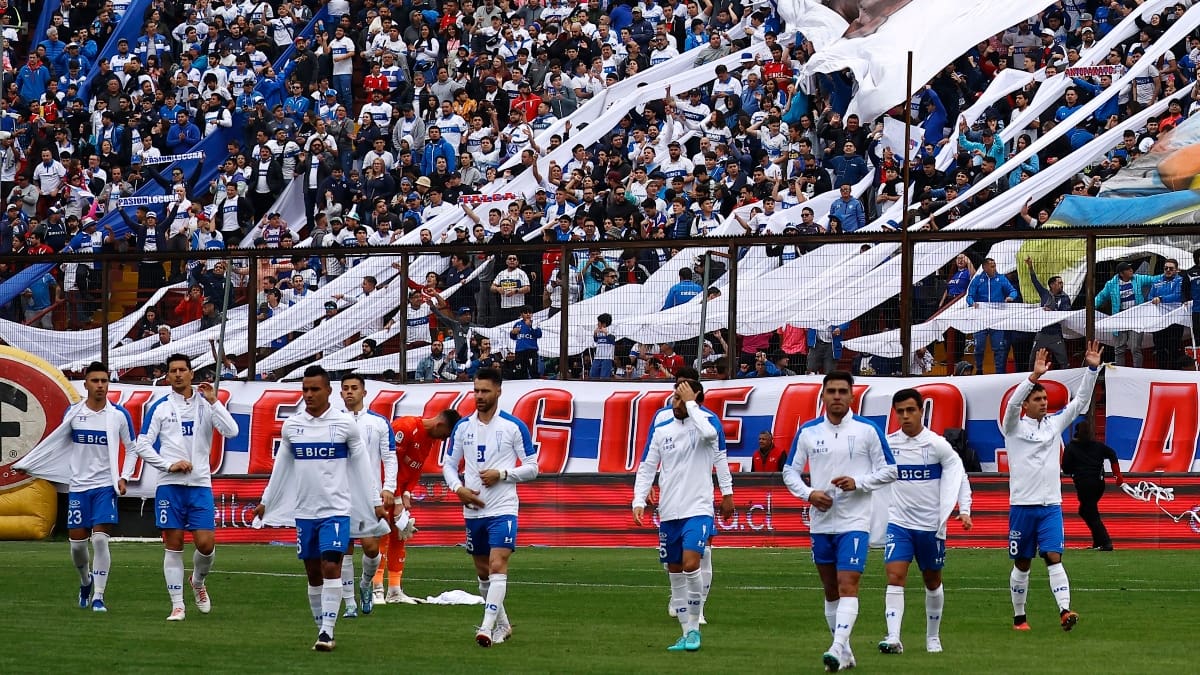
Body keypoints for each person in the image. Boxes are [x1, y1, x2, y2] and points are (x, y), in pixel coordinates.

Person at [15, 362, 179, 612]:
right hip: (79, 487)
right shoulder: (74, 413)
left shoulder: (118, 415)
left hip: (105, 487)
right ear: (86, 384)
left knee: (101, 540)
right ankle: (85, 581)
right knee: (78, 546)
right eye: (95, 381)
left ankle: (99, 596)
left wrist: (124, 476)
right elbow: (57, 443)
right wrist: (30, 464)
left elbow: (132, 447)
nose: (100, 385)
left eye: (104, 381)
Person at [253, 366, 386, 652]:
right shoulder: (293, 427)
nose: (309, 394)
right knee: (313, 573)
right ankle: (321, 627)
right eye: (305, 389)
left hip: (337, 509)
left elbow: (363, 466)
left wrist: (375, 501)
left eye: (315, 389)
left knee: (330, 565)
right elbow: (281, 468)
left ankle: (327, 631)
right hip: (305, 512)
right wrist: (266, 501)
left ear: (328, 391)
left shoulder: (343, 425)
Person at [783, 371, 896, 672]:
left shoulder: (868, 430)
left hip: (855, 521)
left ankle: (835, 646)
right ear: (823, 395)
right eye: (831, 391)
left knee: (849, 584)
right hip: (821, 522)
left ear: (851, 395)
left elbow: (890, 470)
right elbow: (789, 472)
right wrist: (809, 494)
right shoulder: (808, 432)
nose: (836, 396)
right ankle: (844, 650)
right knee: (831, 589)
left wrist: (857, 482)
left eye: (841, 391)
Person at [125, 353, 238, 621]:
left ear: (191, 374)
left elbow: (231, 431)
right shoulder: (160, 407)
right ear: (167, 376)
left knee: (206, 544)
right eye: (173, 370)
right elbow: (141, 444)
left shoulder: (206, 404)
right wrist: (168, 465)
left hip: (199, 485)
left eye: (182, 370)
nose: (178, 374)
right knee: (173, 545)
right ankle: (177, 605)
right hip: (169, 487)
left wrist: (214, 402)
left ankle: (197, 582)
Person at [1002, 341, 1102, 632]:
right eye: (1037, 399)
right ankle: (1020, 618)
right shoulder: (1013, 426)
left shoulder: (1053, 424)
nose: (1044, 402)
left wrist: (1092, 369)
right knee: (1022, 563)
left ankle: (1065, 611)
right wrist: (1033, 377)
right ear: (1026, 404)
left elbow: (1080, 403)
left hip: (1050, 507)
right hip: (1022, 505)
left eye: (1045, 398)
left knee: (1053, 556)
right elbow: (1010, 405)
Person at [633, 379, 734, 653]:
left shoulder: (705, 426)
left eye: (680, 398)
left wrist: (691, 404)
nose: (674, 403)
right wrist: (638, 499)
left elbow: (712, 437)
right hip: (669, 511)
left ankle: (696, 626)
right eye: (674, 398)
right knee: (674, 571)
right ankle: (686, 632)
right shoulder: (662, 430)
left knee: (692, 564)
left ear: (694, 398)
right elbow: (647, 466)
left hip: (698, 508)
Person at [443, 368, 539, 648]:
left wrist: (503, 474)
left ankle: (485, 628)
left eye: (485, 391)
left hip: (503, 508)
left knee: (498, 564)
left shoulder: (513, 426)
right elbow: (448, 464)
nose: (479, 396)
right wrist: (457, 488)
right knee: (483, 572)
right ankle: (504, 625)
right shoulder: (463, 427)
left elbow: (533, 467)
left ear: (498, 391)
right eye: (476, 391)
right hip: (473, 510)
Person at [878, 389, 973, 656]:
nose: (905, 416)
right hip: (899, 523)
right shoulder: (888, 445)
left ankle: (933, 637)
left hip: (931, 527)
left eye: (910, 410)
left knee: (932, 581)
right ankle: (893, 637)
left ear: (922, 411)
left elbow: (959, 475)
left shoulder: (937, 444)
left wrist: (964, 509)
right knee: (895, 576)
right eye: (900, 411)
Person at [377, 409, 462, 604]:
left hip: (398, 494)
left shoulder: (429, 439)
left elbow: (416, 468)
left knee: (400, 536)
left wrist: (407, 494)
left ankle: (395, 590)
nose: (443, 439)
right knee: (381, 537)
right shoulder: (404, 428)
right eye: (446, 435)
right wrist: (397, 499)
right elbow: (390, 466)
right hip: (384, 490)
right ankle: (376, 589)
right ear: (440, 425)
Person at [337, 375, 397, 618]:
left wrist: (389, 487)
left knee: (372, 549)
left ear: (364, 392)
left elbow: (389, 457)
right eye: (345, 389)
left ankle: (366, 584)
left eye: (354, 388)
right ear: (340, 394)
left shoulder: (379, 422)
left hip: (368, 495)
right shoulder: (334, 421)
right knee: (344, 548)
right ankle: (349, 601)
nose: (349, 392)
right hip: (340, 494)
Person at [1062, 419, 1124, 551]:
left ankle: (1106, 542)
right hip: (1099, 484)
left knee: (1090, 512)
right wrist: (1117, 475)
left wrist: (1075, 468)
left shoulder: (1071, 447)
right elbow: (1112, 454)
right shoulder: (1098, 446)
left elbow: (1066, 468)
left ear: (1077, 433)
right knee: (1085, 511)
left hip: (1084, 484)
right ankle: (1098, 542)